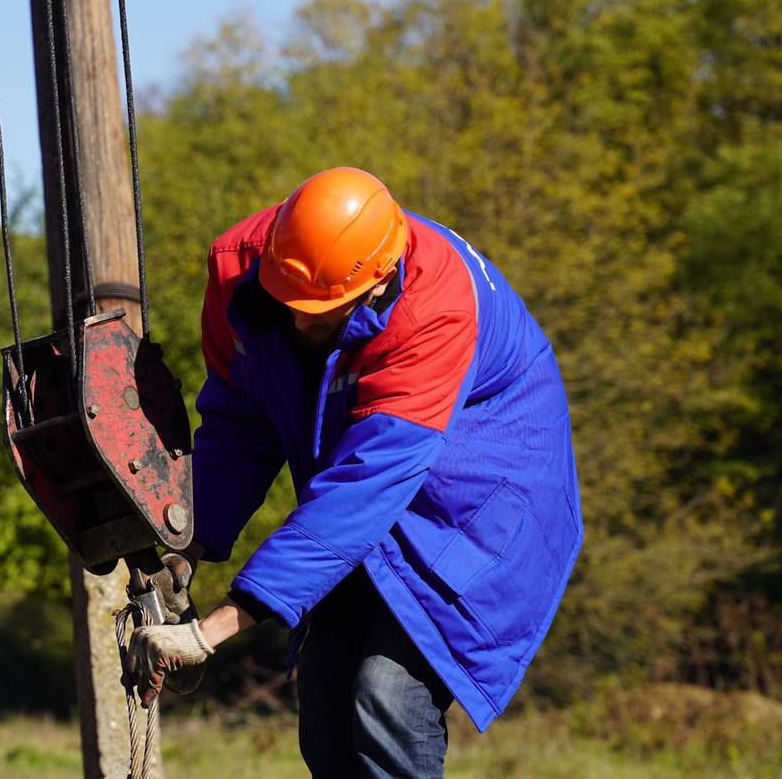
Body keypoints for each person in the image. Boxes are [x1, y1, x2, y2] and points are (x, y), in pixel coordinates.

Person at [127, 167, 583, 778]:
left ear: (376, 285)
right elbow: (242, 421)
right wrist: (189, 547)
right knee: (326, 699)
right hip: (365, 471)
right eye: (288, 303)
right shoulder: (239, 270)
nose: (298, 325)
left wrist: (210, 633)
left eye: (320, 312)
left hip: (482, 490)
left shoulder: (433, 309)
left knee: (387, 696)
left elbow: (363, 489)